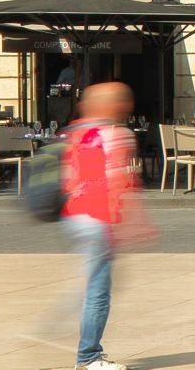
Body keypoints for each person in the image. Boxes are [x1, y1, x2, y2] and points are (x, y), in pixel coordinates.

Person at [63, 79, 152, 370]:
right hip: (99, 218)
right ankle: (88, 357)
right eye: (124, 102)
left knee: (95, 284)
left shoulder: (76, 132)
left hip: (77, 216)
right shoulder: (117, 134)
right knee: (99, 292)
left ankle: (87, 352)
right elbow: (119, 182)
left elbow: (69, 178)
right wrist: (134, 223)